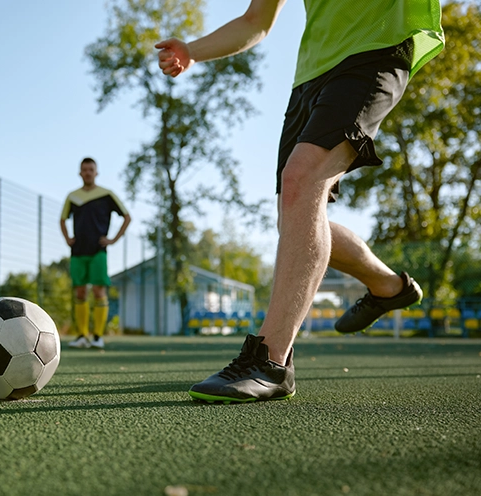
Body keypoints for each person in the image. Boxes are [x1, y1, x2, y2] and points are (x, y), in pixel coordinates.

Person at [155, 0, 443, 403]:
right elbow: (255, 21)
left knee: (301, 181)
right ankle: (387, 285)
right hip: (310, 77)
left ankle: (271, 360)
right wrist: (191, 50)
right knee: (294, 216)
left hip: (377, 47)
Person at [61, 157, 131, 349]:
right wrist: (68, 238)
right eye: (84, 170)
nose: (88, 172)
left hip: (98, 250)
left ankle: (98, 336)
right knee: (80, 291)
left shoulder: (107, 195)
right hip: (78, 251)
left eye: (91, 169)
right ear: (80, 172)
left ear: (96, 172)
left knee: (99, 291)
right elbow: (62, 219)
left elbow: (127, 216)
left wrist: (113, 239)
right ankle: (82, 335)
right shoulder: (72, 196)